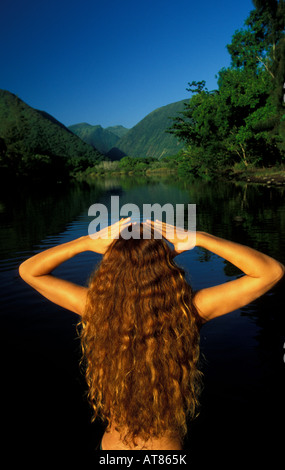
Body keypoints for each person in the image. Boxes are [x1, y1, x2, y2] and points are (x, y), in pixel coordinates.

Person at [19, 218, 284, 450]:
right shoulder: (188, 312)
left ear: (112, 268)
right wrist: (199, 237)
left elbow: (29, 270)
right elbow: (270, 272)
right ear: (167, 265)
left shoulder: (96, 309)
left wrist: (86, 242)